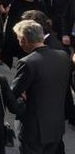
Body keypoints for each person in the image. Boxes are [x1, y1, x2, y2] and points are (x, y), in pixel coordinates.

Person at [11, 20, 72, 154]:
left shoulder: (27, 62)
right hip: (55, 128)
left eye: (18, 39)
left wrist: (22, 97)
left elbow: (13, 93)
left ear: (24, 39)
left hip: (33, 131)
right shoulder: (63, 56)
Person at [0, 0, 46, 68]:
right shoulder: (17, 1)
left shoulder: (39, 3)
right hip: (18, 36)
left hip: (32, 38)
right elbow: (11, 21)